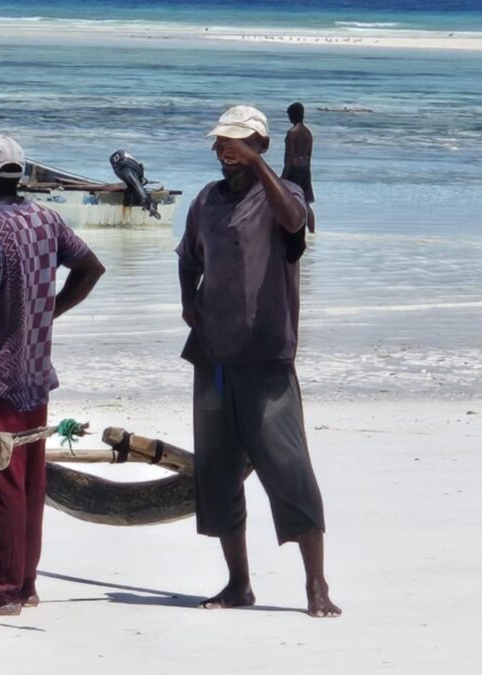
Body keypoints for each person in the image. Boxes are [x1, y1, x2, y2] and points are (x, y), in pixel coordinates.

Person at [176, 105, 340, 618]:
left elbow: (295, 223)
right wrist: (188, 303)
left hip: (267, 357)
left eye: (238, 142)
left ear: (261, 146)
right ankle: (238, 583)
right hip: (214, 357)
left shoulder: (282, 195)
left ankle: (317, 585)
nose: (226, 150)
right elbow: (187, 257)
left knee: (289, 469)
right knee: (219, 473)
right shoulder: (205, 200)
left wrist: (259, 167)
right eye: (221, 142)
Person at [0, 135, 104, 615]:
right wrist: (44, 313)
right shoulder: (46, 218)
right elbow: (90, 268)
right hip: (34, 372)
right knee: (29, 480)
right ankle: (25, 582)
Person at [282, 102, 315, 232]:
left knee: (289, 201)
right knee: (306, 203)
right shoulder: (308, 133)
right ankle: (312, 232)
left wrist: (283, 177)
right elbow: (309, 155)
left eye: (289, 114)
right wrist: (307, 172)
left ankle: (291, 229)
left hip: (294, 170)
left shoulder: (292, 133)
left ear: (293, 115)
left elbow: (289, 158)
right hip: (305, 169)